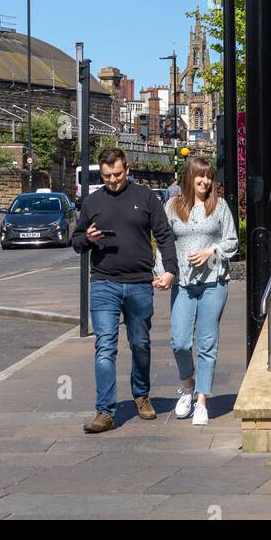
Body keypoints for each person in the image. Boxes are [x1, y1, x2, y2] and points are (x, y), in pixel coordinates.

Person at [73, 145, 178, 433]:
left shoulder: (146, 197)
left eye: (117, 174)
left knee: (141, 344)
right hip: (103, 283)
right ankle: (104, 411)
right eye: (107, 176)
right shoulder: (92, 202)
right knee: (105, 346)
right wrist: (89, 239)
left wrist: (169, 270)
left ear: (127, 170)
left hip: (139, 284)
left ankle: (141, 395)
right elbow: (76, 242)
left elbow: (165, 236)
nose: (113, 180)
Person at [153, 155, 238, 425]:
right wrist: (162, 273)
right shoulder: (173, 206)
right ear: (189, 177)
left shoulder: (219, 206)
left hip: (214, 281)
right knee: (179, 341)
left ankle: (202, 400)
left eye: (209, 176)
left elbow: (232, 242)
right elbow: (164, 242)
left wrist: (211, 252)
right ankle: (188, 386)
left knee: (206, 342)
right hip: (183, 283)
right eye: (200, 175)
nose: (205, 180)